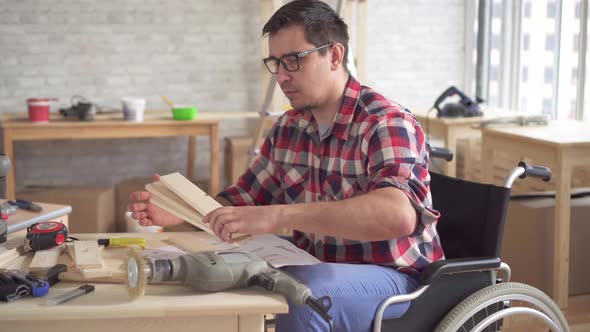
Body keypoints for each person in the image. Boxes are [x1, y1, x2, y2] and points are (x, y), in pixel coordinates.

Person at [128, 1, 444, 331]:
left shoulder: (386, 122)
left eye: (293, 60)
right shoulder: (289, 127)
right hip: (316, 265)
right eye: (275, 63)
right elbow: (243, 200)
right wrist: (183, 211)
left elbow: (397, 215)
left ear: (334, 56)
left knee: (302, 294)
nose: (281, 75)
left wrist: (279, 215)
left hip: (399, 280)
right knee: (219, 273)